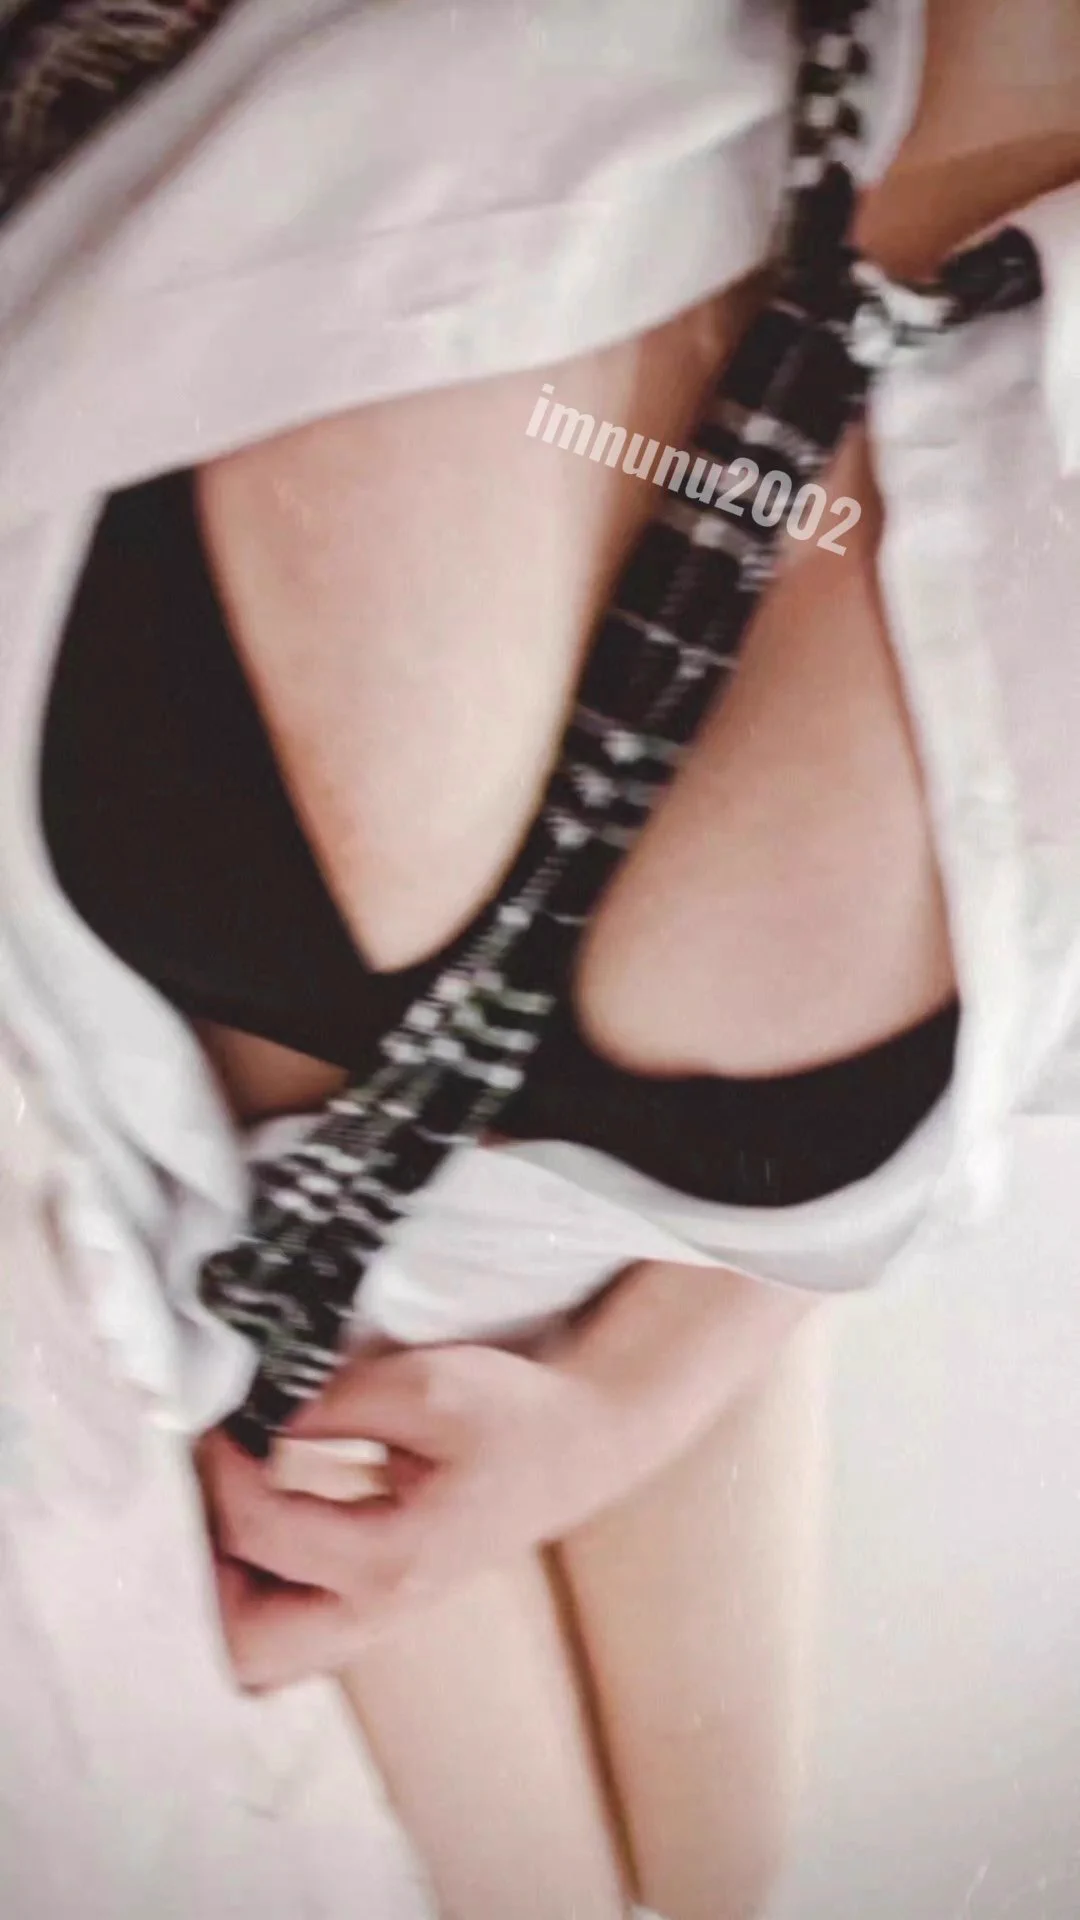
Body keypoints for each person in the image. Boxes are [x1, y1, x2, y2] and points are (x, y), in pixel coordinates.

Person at [3, 1, 1080, 1916]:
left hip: (599, 1330)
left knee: (720, 1888)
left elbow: (964, 1099)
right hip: (178, 1300)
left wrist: (613, 1419)